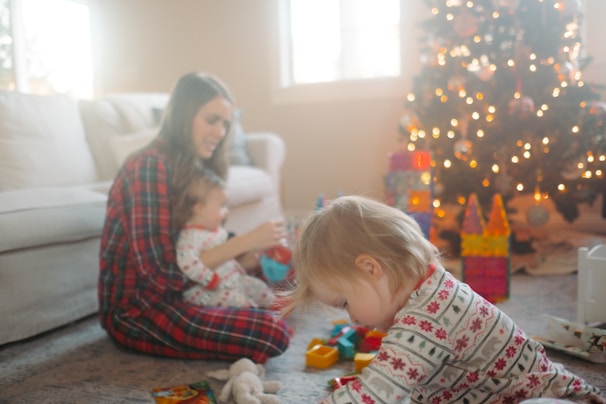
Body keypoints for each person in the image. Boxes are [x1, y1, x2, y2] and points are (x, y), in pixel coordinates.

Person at [282, 195, 604, 404]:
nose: (351, 319)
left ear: (370, 268)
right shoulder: (426, 287)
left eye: (345, 303)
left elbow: (378, 393)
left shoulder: (428, 317)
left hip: (547, 396)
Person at [99, 72, 290, 364]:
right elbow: (161, 278)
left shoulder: (194, 167)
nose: (220, 132)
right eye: (211, 120)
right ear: (183, 115)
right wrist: (242, 245)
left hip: (192, 289)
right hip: (141, 308)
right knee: (270, 331)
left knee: (280, 277)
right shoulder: (147, 167)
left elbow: (203, 243)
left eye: (225, 123)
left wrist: (251, 255)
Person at [173, 166, 275, 309]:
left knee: (258, 287)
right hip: (208, 291)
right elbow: (187, 263)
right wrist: (210, 279)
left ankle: (273, 305)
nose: (226, 212)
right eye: (222, 206)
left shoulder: (214, 231)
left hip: (230, 281)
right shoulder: (190, 237)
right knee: (241, 302)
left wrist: (239, 266)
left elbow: (226, 256)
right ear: (199, 209)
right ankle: (257, 314)